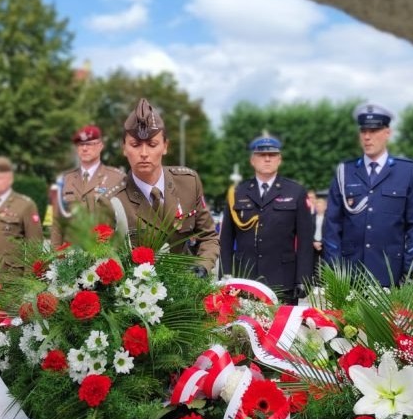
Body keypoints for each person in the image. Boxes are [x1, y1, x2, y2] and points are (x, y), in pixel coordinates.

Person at [97, 98, 219, 276]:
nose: (144, 153)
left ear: (165, 146)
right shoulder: (111, 202)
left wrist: (203, 266)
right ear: (124, 148)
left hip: (188, 288)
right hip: (140, 296)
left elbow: (208, 236)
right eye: (135, 145)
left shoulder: (188, 182)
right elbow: (102, 257)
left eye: (152, 144)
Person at [322, 103, 413, 287]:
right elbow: (332, 226)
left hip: (391, 275)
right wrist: (335, 272)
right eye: (363, 131)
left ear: (387, 133)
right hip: (349, 276)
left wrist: (409, 274)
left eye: (374, 130)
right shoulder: (345, 171)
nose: (367, 137)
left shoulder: (407, 171)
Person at [220, 134, 314, 304]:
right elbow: (226, 239)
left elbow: (305, 241)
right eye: (262, 155)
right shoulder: (237, 193)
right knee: (245, 330)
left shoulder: (296, 192)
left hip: (283, 280)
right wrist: (225, 276)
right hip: (245, 281)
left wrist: (303, 278)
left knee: (284, 330)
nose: (267, 159)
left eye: (272, 155)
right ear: (252, 160)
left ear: (280, 159)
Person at [51, 124, 125, 247]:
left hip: (103, 254)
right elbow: (57, 223)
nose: (84, 149)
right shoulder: (65, 180)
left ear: (101, 146)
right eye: (80, 144)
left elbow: (123, 223)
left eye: (89, 144)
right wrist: (54, 258)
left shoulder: (117, 178)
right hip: (71, 257)